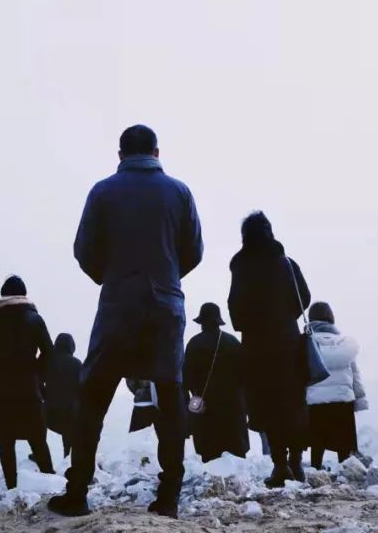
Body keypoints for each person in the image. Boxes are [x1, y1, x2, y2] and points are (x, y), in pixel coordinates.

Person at [50, 124, 203, 519]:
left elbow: (84, 250)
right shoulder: (180, 192)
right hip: (166, 307)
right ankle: (169, 496)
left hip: (118, 306)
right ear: (157, 152)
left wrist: (112, 278)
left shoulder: (103, 192)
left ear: (120, 155)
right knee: (170, 399)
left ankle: (77, 492)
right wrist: (167, 278)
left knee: (93, 398)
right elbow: (194, 250)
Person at [227, 212, 311, 488]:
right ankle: (297, 461)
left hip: (257, 347)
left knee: (267, 405)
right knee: (293, 403)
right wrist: (286, 317)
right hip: (288, 343)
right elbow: (304, 297)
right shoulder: (286, 262)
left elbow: (235, 307)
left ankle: (279, 465)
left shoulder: (241, 266)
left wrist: (250, 324)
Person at [0, 276, 56, 489]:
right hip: (28, 385)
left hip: (1, 386)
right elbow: (49, 352)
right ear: (24, 295)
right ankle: (50, 480)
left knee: (6, 438)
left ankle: (11, 485)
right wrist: (36, 371)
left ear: (3, 295)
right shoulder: (34, 319)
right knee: (36, 436)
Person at [183, 303, 250, 463]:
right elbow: (245, 375)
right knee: (236, 455)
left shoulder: (194, 343)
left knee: (210, 453)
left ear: (201, 322)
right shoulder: (232, 342)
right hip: (233, 405)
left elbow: (186, 378)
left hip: (206, 406)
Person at [305, 302, 367, 470]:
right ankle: (345, 474)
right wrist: (360, 400)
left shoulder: (307, 343)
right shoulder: (344, 344)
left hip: (315, 401)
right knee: (344, 446)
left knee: (317, 444)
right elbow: (355, 375)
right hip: (342, 401)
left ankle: (315, 472)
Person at [44, 333, 82, 459]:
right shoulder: (77, 364)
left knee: (39, 431)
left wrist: (45, 395)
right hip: (69, 412)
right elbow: (83, 388)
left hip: (49, 412)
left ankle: (39, 453)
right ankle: (68, 457)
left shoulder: (49, 361)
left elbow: (38, 381)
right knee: (69, 433)